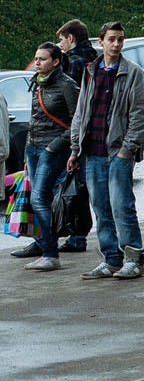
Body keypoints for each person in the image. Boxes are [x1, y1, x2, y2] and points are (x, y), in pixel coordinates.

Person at [66, 22, 144, 279]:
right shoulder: (91, 70)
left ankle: (134, 258)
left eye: (120, 40)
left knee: (121, 205)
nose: (116, 44)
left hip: (118, 152)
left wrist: (127, 149)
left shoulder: (132, 72)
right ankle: (111, 259)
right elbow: (82, 111)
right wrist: (74, 149)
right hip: (92, 151)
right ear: (100, 42)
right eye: (112, 39)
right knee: (101, 207)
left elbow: (140, 115)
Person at [16, 43, 78, 271]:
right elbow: (34, 120)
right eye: (36, 58)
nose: (37, 62)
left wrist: (56, 146)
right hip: (33, 147)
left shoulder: (67, 85)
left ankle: (50, 253)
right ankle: (45, 246)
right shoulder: (37, 83)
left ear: (55, 62)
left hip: (51, 149)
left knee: (39, 198)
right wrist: (26, 151)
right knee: (40, 198)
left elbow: (77, 122)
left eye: (42, 59)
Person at [53, 20, 93, 254]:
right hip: (95, 134)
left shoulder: (74, 63)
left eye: (61, 39)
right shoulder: (95, 58)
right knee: (84, 188)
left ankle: (76, 236)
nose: (60, 45)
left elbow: (73, 104)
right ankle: (78, 236)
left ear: (71, 38)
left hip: (75, 132)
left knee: (73, 188)